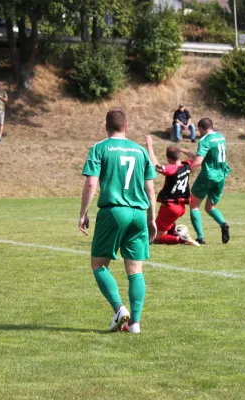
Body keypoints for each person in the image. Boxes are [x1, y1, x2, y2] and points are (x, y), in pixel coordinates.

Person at [79, 107, 157, 334]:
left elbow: (91, 184)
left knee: (98, 264)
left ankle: (119, 308)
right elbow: (150, 189)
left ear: (106, 127)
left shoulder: (99, 148)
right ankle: (135, 324)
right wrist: (152, 219)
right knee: (135, 270)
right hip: (138, 213)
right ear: (127, 127)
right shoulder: (141, 151)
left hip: (113, 211)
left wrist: (83, 213)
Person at [145, 135, 200, 246]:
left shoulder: (172, 168)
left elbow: (157, 167)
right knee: (167, 226)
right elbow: (195, 158)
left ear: (169, 159)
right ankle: (177, 232)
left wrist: (149, 147)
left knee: (154, 238)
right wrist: (181, 149)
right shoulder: (187, 165)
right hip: (181, 206)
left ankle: (182, 239)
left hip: (170, 207)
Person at [188, 118, 231, 245]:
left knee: (194, 206)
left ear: (201, 128)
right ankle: (223, 224)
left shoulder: (204, 140)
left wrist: (184, 172)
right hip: (221, 175)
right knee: (210, 207)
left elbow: (198, 162)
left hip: (207, 176)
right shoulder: (221, 137)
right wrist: (184, 151)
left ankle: (200, 237)